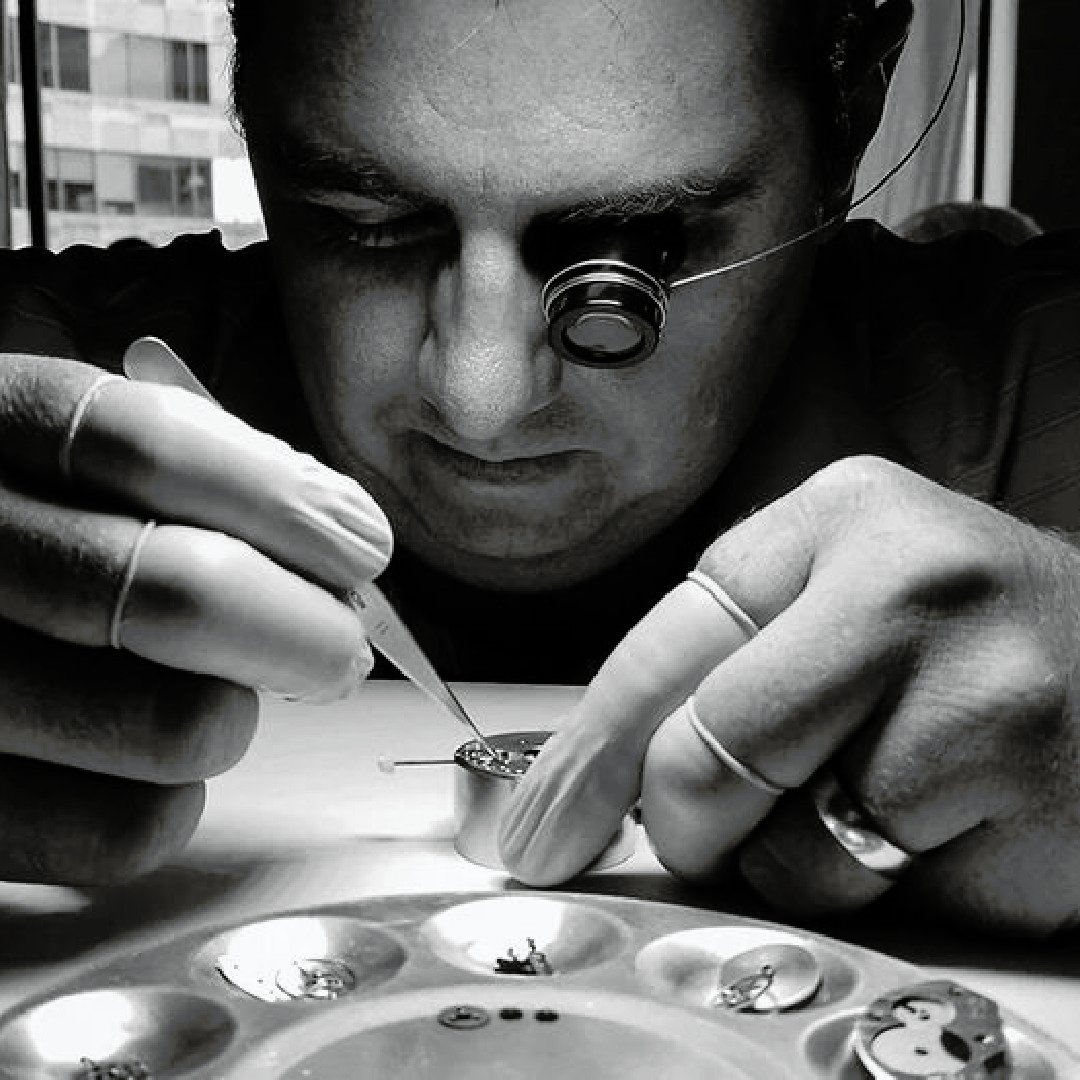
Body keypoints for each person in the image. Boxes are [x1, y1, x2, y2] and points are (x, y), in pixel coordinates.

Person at [1, 0, 1079, 937]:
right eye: (362, 224)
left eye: (637, 242)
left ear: (851, 117)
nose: (480, 402)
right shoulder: (45, 359)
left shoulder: (1043, 382)